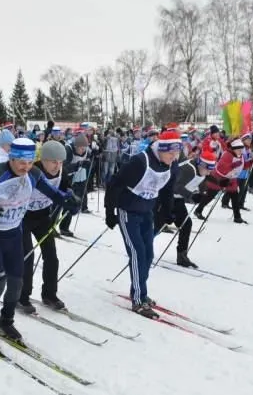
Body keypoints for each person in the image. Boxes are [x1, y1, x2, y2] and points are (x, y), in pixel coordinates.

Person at [0, 138, 80, 349]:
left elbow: (53, 193)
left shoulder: (33, 174)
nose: (25, 167)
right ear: (11, 157)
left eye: (29, 162)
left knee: (17, 283)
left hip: (14, 235)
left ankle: (6, 322)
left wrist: (67, 200)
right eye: (20, 162)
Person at [105, 129, 179, 319]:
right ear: (161, 150)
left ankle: (140, 292)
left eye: (177, 152)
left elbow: (167, 190)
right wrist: (109, 211)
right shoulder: (140, 161)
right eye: (171, 152)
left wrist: (168, 212)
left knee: (148, 254)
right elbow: (115, 183)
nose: (174, 156)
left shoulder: (171, 165)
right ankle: (138, 299)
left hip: (147, 212)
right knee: (137, 253)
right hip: (128, 211)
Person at [18, 140, 71, 313]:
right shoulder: (31, 172)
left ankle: (49, 294)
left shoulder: (62, 173)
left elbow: (64, 193)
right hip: (23, 218)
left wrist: (71, 200)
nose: (57, 165)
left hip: (42, 217)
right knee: (27, 257)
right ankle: (22, 297)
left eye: (61, 162)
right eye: (54, 161)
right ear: (43, 160)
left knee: (51, 256)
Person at [165, 149, 215, 268]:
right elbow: (175, 186)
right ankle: (141, 249)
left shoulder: (201, 171)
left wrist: (219, 183)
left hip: (178, 200)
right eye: (208, 169)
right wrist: (191, 195)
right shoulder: (189, 169)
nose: (209, 173)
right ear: (202, 165)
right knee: (158, 225)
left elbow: (202, 181)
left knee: (186, 225)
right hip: (166, 199)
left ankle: (182, 256)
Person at [194, 138, 246, 223]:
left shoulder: (240, 155)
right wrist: (233, 165)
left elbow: (242, 165)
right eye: (238, 149)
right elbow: (221, 168)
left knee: (235, 196)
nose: (240, 151)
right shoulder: (227, 155)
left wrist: (251, 161)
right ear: (234, 149)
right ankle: (198, 210)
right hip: (218, 178)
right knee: (210, 195)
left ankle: (237, 217)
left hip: (231, 179)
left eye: (241, 149)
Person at [59, 133, 91, 236]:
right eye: (81, 148)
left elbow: (87, 160)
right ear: (76, 146)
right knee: (58, 205)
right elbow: (63, 168)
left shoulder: (86, 151)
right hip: (63, 179)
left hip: (77, 179)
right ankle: (50, 226)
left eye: (84, 148)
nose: (83, 151)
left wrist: (87, 164)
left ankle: (64, 227)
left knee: (71, 203)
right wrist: (77, 165)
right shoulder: (68, 150)